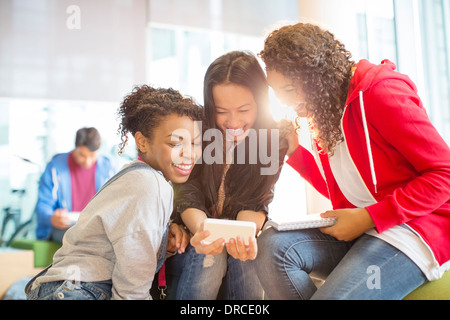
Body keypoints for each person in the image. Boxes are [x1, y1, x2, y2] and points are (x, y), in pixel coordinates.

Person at [254, 22, 450, 300]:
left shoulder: (382, 93)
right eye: (276, 91)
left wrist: (368, 217)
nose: (285, 102)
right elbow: (349, 188)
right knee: (272, 247)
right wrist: (295, 153)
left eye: (288, 89)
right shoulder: (324, 111)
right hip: (366, 230)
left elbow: (444, 173)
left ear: (317, 77)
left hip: (412, 230)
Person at [25, 85, 203, 300]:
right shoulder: (149, 184)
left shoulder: (137, 176)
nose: (189, 154)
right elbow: (132, 292)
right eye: (175, 143)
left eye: (195, 143)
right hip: (81, 291)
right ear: (142, 142)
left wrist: (164, 237)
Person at [167, 51, 288, 300]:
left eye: (244, 109)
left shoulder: (272, 142)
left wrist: (239, 236)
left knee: (249, 253)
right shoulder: (197, 130)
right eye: (222, 111)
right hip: (190, 245)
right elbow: (187, 194)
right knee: (210, 253)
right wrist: (205, 232)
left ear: (260, 102)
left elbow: (256, 201)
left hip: (237, 243)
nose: (233, 121)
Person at [35, 127, 115, 242]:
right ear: (75, 148)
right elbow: (43, 205)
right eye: (82, 155)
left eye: (92, 156)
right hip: (64, 227)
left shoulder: (107, 168)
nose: (87, 161)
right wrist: (51, 218)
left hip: (96, 226)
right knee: (85, 236)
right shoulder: (55, 167)